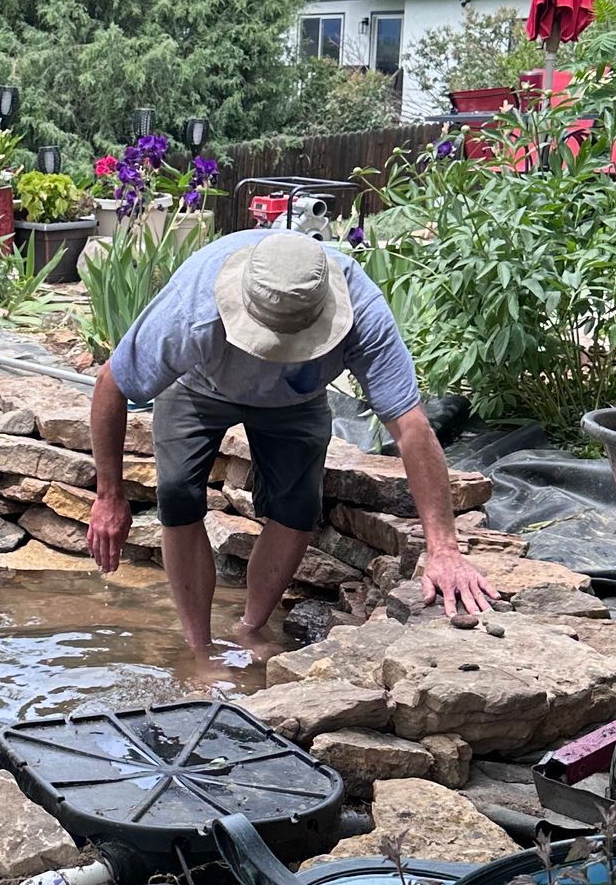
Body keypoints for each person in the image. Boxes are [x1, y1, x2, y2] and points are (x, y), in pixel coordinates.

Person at [87, 227, 499, 665]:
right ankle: (198, 649)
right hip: (199, 387)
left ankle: (250, 628)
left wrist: (444, 549)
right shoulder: (192, 311)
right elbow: (111, 385)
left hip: (297, 398)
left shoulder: (362, 311)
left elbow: (412, 428)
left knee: (297, 506)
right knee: (177, 495)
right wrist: (109, 495)